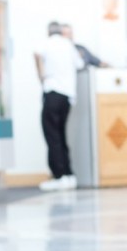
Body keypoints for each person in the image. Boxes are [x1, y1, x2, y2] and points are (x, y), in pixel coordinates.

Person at [33, 21, 85, 191]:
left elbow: (36, 54)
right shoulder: (68, 45)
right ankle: (69, 175)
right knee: (61, 133)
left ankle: (59, 175)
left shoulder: (47, 43)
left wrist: (41, 75)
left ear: (49, 31)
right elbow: (80, 65)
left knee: (52, 135)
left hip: (53, 91)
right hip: (68, 97)